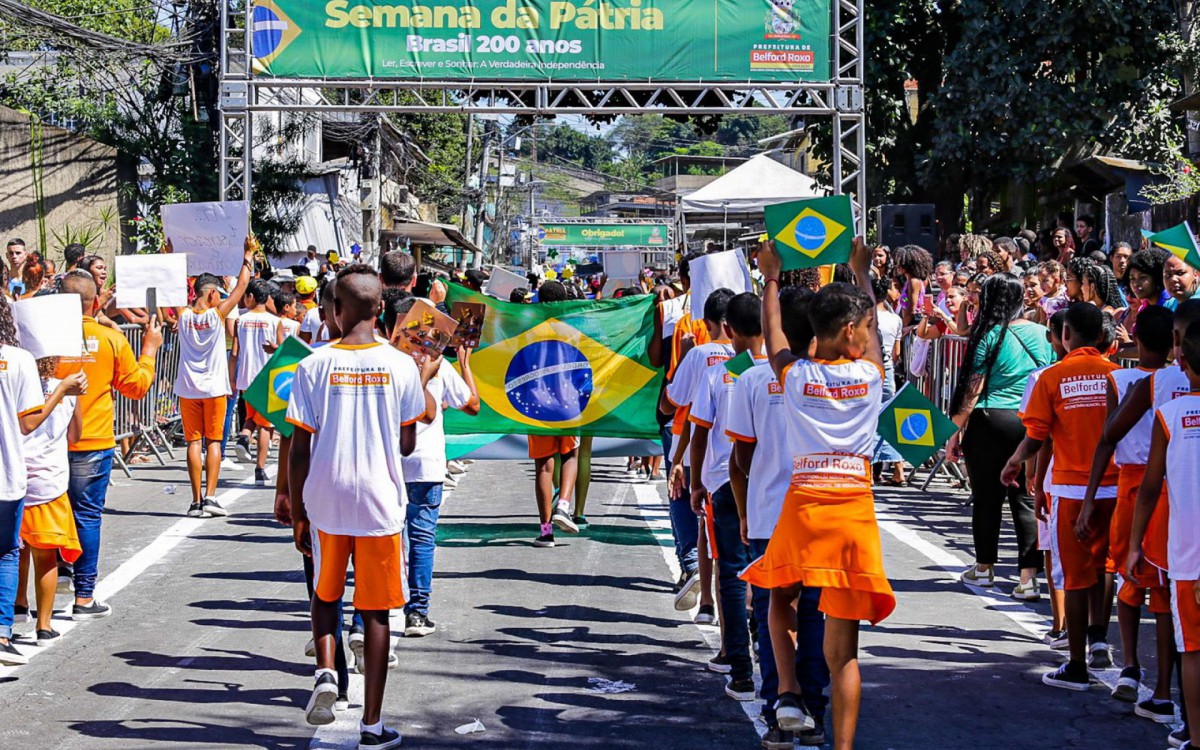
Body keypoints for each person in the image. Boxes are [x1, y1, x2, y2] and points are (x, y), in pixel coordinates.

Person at [742, 237, 895, 750]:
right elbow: (873, 347)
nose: (871, 335)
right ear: (851, 332)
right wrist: (861, 272)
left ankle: (787, 691)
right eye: (869, 327)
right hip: (852, 513)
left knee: (778, 599)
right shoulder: (870, 377)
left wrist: (769, 279)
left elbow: (773, 336)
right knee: (843, 651)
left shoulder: (798, 377)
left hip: (804, 505)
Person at [286, 265, 430, 749]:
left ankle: (326, 671)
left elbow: (298, 446)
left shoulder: (312, 364)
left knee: (326, 594)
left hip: (326, 497)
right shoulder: (402, 365)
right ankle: (371, 724)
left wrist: (299, 509)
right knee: (376, 610)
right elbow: (408, 443)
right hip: (379, 500)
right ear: (380, 310)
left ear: (335, 310)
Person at [727, 285, 828, 747]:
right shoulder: (841, 377)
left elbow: (741, 454)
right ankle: (815, 710)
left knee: (776, 615)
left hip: (770, 512)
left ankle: (779, 712)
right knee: (815, 615)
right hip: (824, 514)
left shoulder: (749, 380)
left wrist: (755, 495)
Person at [1001, 302, 1119, 690]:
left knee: (1076, 575)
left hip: (1070, 488)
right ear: (1102, 337)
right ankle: (1100, 638)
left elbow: (1037, 435)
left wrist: (1016, 462)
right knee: (1105, 566)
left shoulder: (1052, 378)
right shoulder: (1118, 376)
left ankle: (1077, 664)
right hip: (1116, 486)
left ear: (1064, 335)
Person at [1078, 305, 1175, 707]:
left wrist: (1088, 498)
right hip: (1178, 486)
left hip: (1135, 485)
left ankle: (1132, 667)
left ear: (1135, 337)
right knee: (1166, 589)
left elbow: (1107, 437)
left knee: (1129, 577)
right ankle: (1166, 685)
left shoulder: (1125, 381)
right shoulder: (1183, 380)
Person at [56, 271, 161, 620]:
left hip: (48, 438)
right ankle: (84, 596)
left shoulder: (45, 339)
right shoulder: (111, 339)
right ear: (97, 303)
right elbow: (137, 387)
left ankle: (51, 582)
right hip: (93, 439)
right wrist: (149, 350)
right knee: (86, 514)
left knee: (51, 511)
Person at [946, 274, 1052, 593]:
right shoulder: (1044, 333)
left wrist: (954, 431)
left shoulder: (989, 334)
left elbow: (972, 389)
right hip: (1031, 420)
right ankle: (1028, 578)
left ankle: (984, 567)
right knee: (1024, 497)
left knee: (988, 497)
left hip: (989, 418)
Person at [382, 293, 479, 637]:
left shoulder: (381, 361)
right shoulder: (437, 365)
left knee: (389, 538)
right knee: (421, 539)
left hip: (387, 464)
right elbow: (471, 405)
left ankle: (384, 606)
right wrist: (465, 364)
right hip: (425, 465)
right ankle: (417, 612)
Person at [687, 291, 764, 703]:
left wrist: (696, 481)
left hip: (726, 484)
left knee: (731, 574)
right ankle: (774, 664)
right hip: (776, 486)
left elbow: (700, 430)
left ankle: (740, 668)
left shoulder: (726, 373)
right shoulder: (784, 372)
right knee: (771, 573)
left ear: (729, 331)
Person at [1128, 317, 1200, 750]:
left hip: (1188, 554)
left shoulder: (1170, 413)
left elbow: (1150, 487)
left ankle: (1195, 739)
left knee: (1192, 649)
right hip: (1185, 553)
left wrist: (1135, 545)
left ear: (1183, 361)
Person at [663, 287, 737, 618]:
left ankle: (699, 578)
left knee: (698, 515)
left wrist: (677, 459)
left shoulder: (698, 355)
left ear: (706, 323)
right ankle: (724, 600)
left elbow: (678, 403)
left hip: (700, 449)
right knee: (729, 528)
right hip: (739, 453)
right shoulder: (752, 358)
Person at [175, 241, 254, 517]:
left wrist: (169, 258)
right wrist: (247, 256)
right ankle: (210, 497)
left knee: (193, 443)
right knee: (214, 442)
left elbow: (171, 289)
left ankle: (195, 501)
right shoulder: (216, 315)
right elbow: (241, 287)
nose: (221, 298)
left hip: (187, 388)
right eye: (218, 294)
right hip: (213, 389)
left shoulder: (183, 315)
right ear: (209, 294)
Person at [15, 354, 87, 647]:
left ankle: (18, 604)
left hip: (16, 474)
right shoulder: (67, 389)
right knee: (45, 556)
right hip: (50, 479)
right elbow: (75, 434)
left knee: (14, 549)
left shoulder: (16, 384)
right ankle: (44, 626)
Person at [525, 279, 581, 547]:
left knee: (543, 467)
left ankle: (546, 531)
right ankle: (565, 505)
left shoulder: (529, 332)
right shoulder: (572, 331)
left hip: (536, 404)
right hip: (568, 401)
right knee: (570, 454)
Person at [230, 279, 282, 486]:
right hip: (266, 378)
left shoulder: (240, 321)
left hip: (245, 376)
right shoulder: (274, 321)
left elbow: (235, 353)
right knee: (266, 427)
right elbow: (281, 350)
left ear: (251, 297)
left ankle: (243, 436)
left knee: (250, 416)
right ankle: (260, 469)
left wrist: (232, 378)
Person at [871, 274, 906, 484]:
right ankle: (898, 469)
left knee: (870, 421)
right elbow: (896, 352)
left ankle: (870, 473)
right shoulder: (895, 319)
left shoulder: (863, 317)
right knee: (889, 420)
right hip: (888, 371)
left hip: (869, 371)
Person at [891, 244, 933, 327]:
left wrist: (902, 329)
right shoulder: (912, 281)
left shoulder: (913, 281)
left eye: (900, 263)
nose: (897, 266)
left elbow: (911, 310)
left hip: (912, 324)